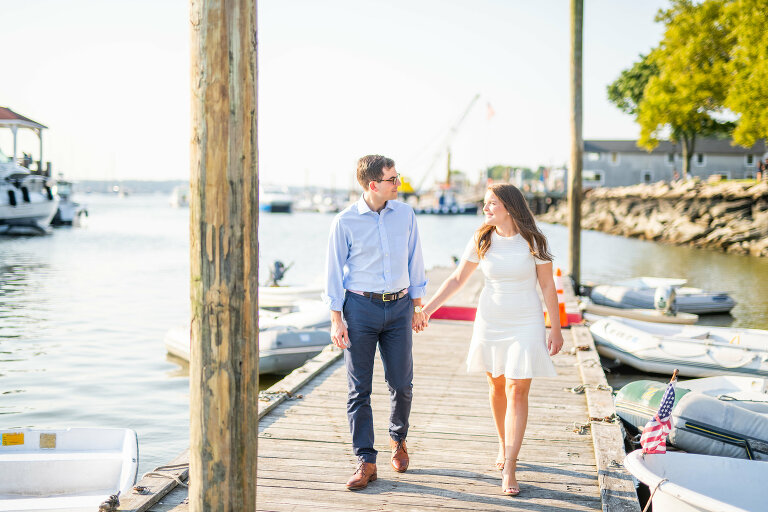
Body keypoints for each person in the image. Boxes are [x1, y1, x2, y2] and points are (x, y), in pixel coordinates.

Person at [422, 183, 564, 497]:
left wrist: (555, 328)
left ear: (510, 207)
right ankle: (503, 444)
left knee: (517, 389)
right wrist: (428, 309)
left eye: (492, 203)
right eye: (486, 203)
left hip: (526, 320)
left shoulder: (534, 241)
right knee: (497, 385)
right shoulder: (481, 238)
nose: (486, 208)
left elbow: (548, 289)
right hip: (491, 320)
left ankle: (511, 465)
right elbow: (458, 278)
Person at [323, 154, 428, 491]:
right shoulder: (344, 222)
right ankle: (366, 461)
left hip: (398, 309)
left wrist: (417, 306)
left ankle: (398, 439)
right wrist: (336, 319)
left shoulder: (406, 214)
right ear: (373, 185)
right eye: (392, 179)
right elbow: (333, 273)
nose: (398, 184)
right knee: (359, 390)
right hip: (359, 309)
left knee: (402, 383)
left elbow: (415, 260)